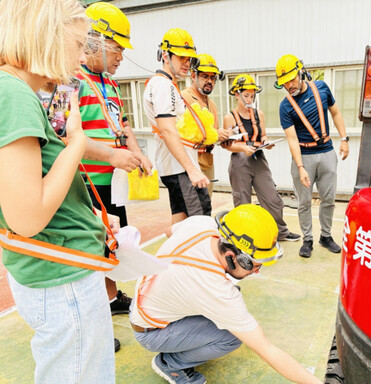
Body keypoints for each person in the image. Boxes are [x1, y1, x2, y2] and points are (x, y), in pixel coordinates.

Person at [0, 0, 117, 382]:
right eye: (79, 43)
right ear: (48, 36)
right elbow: (28, 217)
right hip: (62, 276)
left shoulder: (17, 91)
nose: (83, 55)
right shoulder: (14, 94)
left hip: (57, 270)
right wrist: (78, 143)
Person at [129, 204, 322, 384]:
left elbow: (169, 232)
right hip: (152, 332)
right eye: (253, 265)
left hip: (144, 301)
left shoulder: (203, 224)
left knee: (228, 303)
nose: (256, 272)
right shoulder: (215, 290)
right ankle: (171, 363)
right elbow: (266, 349)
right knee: (231, 337)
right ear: (230, 256)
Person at [77, 2, 152, 334]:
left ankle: (110, 298)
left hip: (114, 180)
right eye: (117, 47)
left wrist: (137, 153)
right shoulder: (70, 79)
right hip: (87, 182)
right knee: (94, 247)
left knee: (114, 242)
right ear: (93, 40)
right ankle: (95, 322)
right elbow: (63, 134)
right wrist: (111, 155)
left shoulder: (110, 84)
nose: (121, 56)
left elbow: (122, 124)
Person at [276, 54, 349, 258]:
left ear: (301, 72)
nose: (289, 85)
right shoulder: (285, 106)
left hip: (327, 152)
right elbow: (291, 139)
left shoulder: (322, 88)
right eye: (285, 82)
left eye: (292, 79)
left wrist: (344, 138)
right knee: (304, 202)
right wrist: (300, 167)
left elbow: (335, 113)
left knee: (329, 199)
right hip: (304, 156)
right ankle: (307, 239)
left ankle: (325, 236)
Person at [144, 28, 212, 231]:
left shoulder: (163, 85)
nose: (186, 63)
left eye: (189, 58)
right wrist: (191, 170)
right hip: (180, 169)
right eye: (181, 57)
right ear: (165, 55)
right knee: (200, 223)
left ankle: (170, 260)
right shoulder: (164, 86)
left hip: (174, 167)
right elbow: (167, 130)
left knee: (180, 222)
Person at [223, 74, 301, 242]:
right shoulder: (229, 118)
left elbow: (263, 135)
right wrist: (244, 147)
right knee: (242, 200)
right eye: (246, 95)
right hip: (239, 161)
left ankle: (280, 232)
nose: (250, 99)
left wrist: (266, 143)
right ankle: (243, 236)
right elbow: (227, 144)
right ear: (236, 95)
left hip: (258, 157)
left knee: (272, 197)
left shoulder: (259, 114)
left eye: (252, 95)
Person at [181, 53, 231, 198]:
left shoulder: (212, 104)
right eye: (204, 76)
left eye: (212, 77)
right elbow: (185, 134)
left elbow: (211, 133)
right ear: (193, 75)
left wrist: (223, 137)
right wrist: (215, 134)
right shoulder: (185, 98)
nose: (209, 81)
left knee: (206, 205)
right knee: (193, 209)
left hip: (207, 160)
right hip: (191, 162)